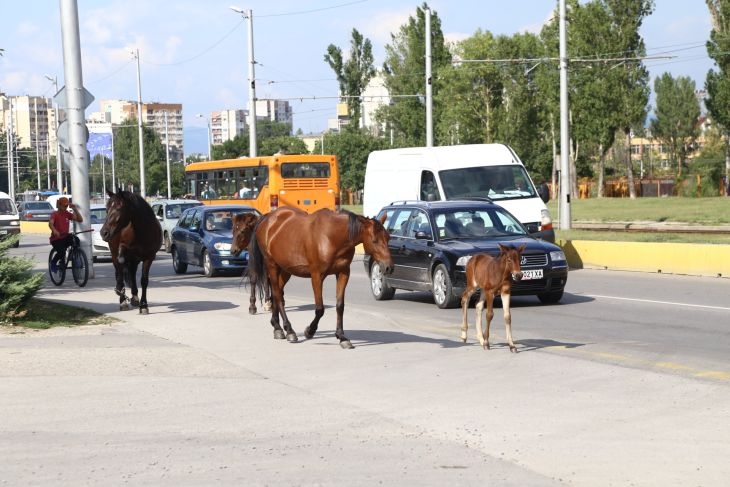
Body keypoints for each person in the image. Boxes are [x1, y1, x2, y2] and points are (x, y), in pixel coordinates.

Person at [48, 197, 83, 272]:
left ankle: (75, 258)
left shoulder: (67, 214)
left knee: (76, 240)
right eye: (64, 206)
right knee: (61, 252)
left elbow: (80, 219)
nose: (66, 208)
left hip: (65, 236)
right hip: (56, 239)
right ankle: (53, 263)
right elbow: (50, 224)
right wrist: (54, 230)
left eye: (67, 206)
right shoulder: (55, 214)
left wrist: (75, 209)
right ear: (59, 205)